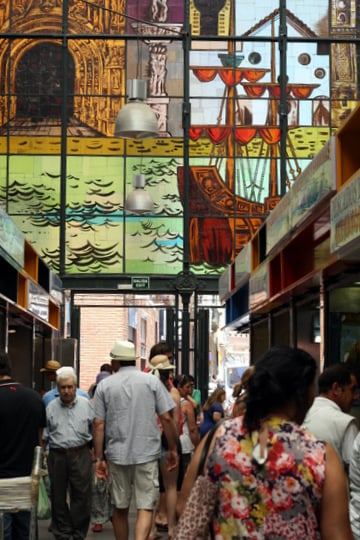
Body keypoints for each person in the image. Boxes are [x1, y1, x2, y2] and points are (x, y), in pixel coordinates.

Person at [177, 346, 353, 539]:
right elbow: (338, 535)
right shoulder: (321, 456)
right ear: (303, 395)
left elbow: (184, 507)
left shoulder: (217, 438)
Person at [92, 340, 178, 540]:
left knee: (120, 507)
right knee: (146, 506)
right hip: (146, 453)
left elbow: (98, 424)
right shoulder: (151, 381)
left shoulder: (104, 385)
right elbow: (166, 417)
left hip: (116, 454)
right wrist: (173, 447)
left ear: (115, 362)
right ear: (133, 359)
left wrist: (99, 458)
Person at [0, 351, 46, 540]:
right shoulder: (34, 398)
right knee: (24, 530)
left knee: (4, 530)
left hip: (1, 480)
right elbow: (40, 440)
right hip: (27, 480)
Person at [45, 366, 94, 540]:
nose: (67, 391)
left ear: (75, 386)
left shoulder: (86, 405)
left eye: (70, 387)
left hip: (80, 453)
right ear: (58, 389)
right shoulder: (50, 407)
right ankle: (63, 532)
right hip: (57, 455)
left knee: (82, 495)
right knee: (57, 496)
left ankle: (78, 532)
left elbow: (93, 428)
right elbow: (46, 433)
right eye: (63, 387)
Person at [148, 354, 181, 540]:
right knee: (170, 487)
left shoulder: (146, 389)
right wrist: (174, 446)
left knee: (151, 488)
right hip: (167, 442)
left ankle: (151, 529)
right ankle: (171, 528)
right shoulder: (172, 393)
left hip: (148, 441)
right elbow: (173, 422)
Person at [302, 363, 358, 468]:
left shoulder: (301, 414)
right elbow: (356, 471)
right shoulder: (345, 423)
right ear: (336, 388)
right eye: (352, 389)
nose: (356, 397)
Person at [90, 370, 112, 534]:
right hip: (97, 450)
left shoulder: (117, 403)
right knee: (98, 486)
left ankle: (112, 514)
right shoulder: (91, 404)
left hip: (113, 449)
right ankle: (98, 518)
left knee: (113, 485)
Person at [175, 374, 199, 473]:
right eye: (187, 387)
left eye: (191, 387)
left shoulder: (169, 400)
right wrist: (197, 445)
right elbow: (192, 429)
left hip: (173, 442)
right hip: (186, 443)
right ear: (179, 388)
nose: (190, 390)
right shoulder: (186, 405)